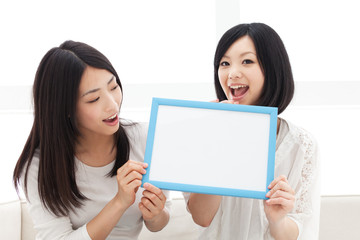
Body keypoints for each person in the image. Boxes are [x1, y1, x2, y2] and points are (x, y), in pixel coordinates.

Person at [13, 40, 170, 239]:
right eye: (93, 99)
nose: (112, 105)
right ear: (65, 109)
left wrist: (155, 214)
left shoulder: (146, 138)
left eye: (113, 87)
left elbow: (159, 223)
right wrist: (119, 202)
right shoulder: (39, 166)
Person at [185, 23, 320, 240]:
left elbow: (299, 228)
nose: (232, 73)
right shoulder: (205, 130)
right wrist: (217, 141)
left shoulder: (301, 144)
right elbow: (201, 217)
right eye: (224, 63)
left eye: (247, 61)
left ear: (273, 68)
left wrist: (277, 219)